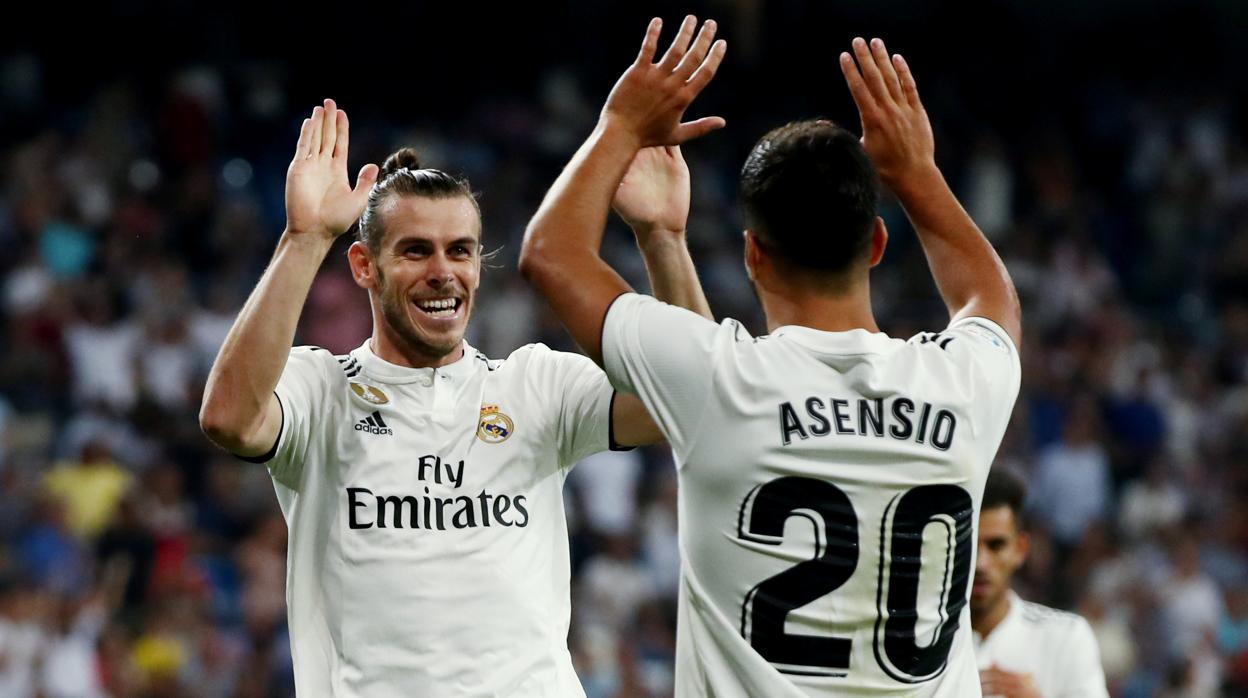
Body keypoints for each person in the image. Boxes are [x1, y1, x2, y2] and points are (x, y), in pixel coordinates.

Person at [520, 18, 1022, 697]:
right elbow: (989, 296)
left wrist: (621, 124)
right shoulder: (964, 385)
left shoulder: (724, 381)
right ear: (876, 243)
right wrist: (915, 171)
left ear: (752, 255)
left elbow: (551, 254)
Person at [199, 98, 706, 696]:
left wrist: (663, 237)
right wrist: (305, 239)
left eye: (460, 250)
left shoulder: (535, 385)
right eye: (416, 251)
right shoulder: (321, 390)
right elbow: (229, 419)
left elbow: (693, 398)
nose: (444, 271)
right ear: (364, 266)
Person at [973, 468, 1109, 697]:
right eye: (969, 545)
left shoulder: (1066, 637)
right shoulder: (916, 640)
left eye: (996, 545)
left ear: (1021, 548)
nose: (980, 563)